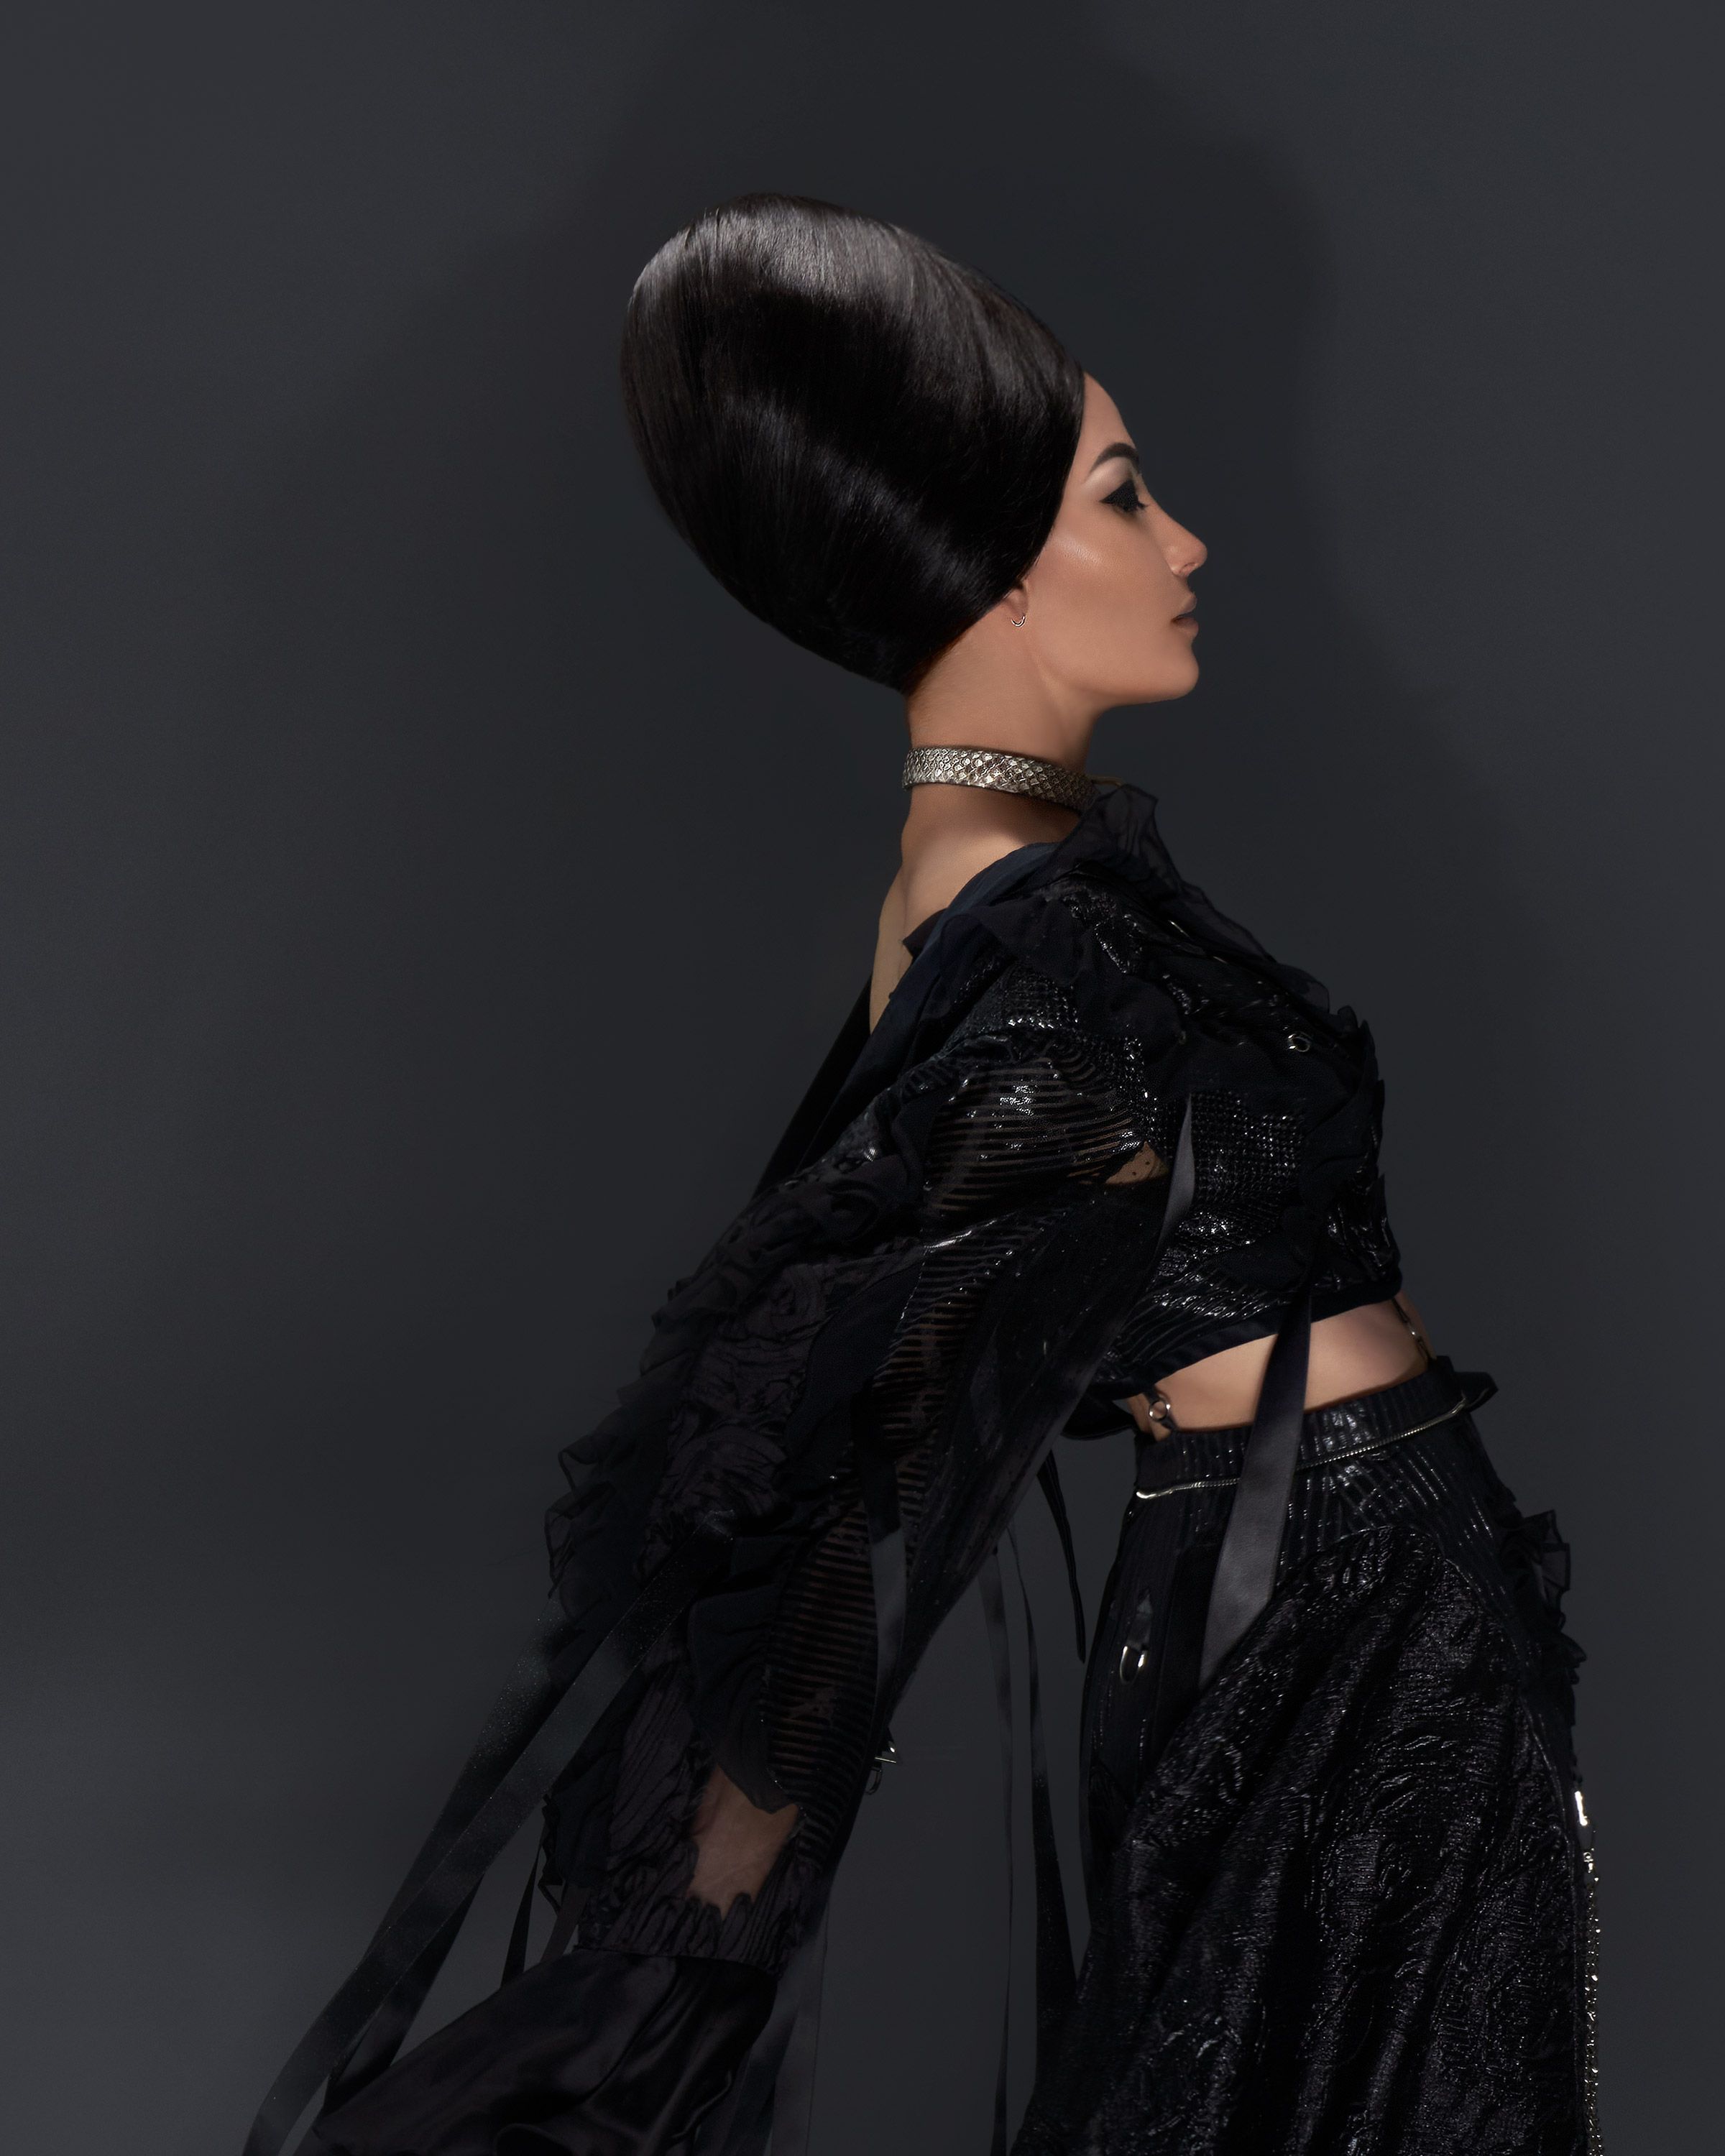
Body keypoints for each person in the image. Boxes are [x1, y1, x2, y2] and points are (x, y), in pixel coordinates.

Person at [248, 194, 1598, 2156]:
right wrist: (712, 1870)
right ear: (986, 565)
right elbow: (866, 1404)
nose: (1188, 544)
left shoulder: (1042, 890)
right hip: (1327, 1655)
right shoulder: (1029, 944)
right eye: (1125, 498)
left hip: (1361, 1631)